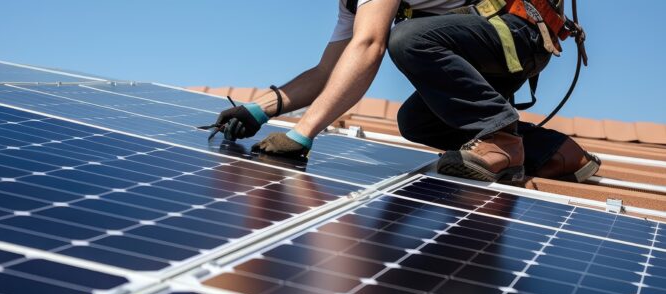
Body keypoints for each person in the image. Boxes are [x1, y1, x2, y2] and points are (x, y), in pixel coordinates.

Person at [211, 0, 600, 183]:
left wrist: (302, 134)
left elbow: (369, 48)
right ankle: (555, 151)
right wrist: (259, 110)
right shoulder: (353, 5)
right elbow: (328, 70)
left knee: (408, 38)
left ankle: (502, 139)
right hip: (486, 53)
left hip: (517, 33)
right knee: (416, 121)